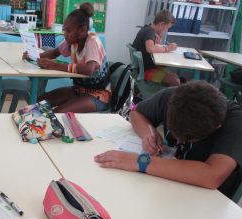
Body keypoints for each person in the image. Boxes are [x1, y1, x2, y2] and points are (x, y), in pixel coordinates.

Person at [94, 81, 242, 200]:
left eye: (188, 139)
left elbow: (212, 176)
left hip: (206, 200)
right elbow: (136, 113)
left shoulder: (236, 122)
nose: (177, 141)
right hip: (163, 185)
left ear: (217, 127)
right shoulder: (176, 97)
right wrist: (148, 133)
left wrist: (140, 162)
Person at [24, 2, 110, 113]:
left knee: (58, 113)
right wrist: (33, 55)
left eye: (68, 31)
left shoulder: (92, 42)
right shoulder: (72, 41)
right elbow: (54, 53)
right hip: (79, 90)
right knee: (37, 104)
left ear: (82, 30)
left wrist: (55, 65)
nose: (65, 34)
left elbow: (88, 69)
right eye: (65, 30)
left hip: (99, 95)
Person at [132, 9, 180, 86]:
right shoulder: (150, 32)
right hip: (144, 71)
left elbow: (149, 47)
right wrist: (168, 48)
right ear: (162, 24)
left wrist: (157, 42)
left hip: (143, 67)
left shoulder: (146, 28)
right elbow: (150, 49)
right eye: (167, 28)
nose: (166, 30)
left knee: (175, 76)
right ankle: (167, 96)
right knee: (175, 81)